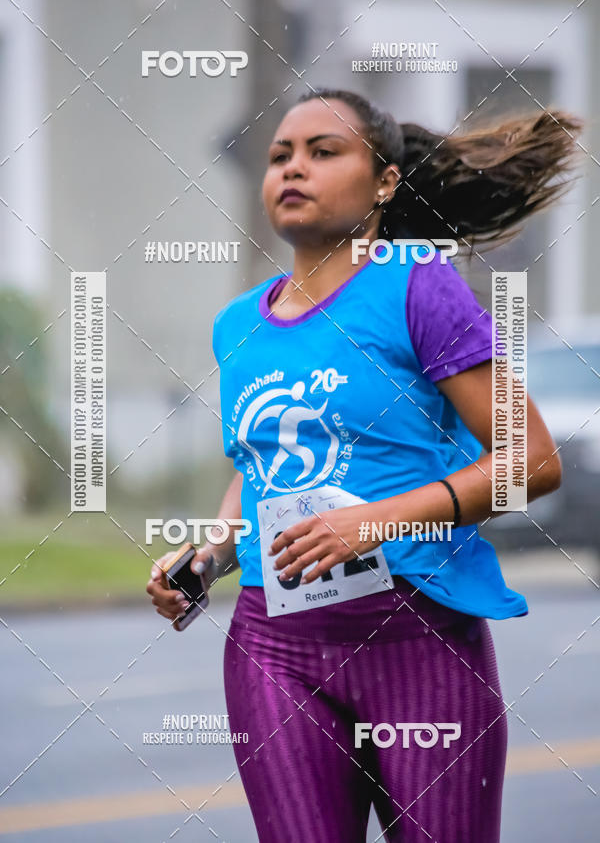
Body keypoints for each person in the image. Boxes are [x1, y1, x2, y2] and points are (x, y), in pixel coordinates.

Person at [146, 88, 582, 842]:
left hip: (417, 640)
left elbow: (533, 461)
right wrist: (209, 556)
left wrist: (371, 523)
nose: (294, 168)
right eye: (280, 155)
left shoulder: (417, 285)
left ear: (384, 182)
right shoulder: (237, 325)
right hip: (274, 648)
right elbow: (259, 468)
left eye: (324, 152)